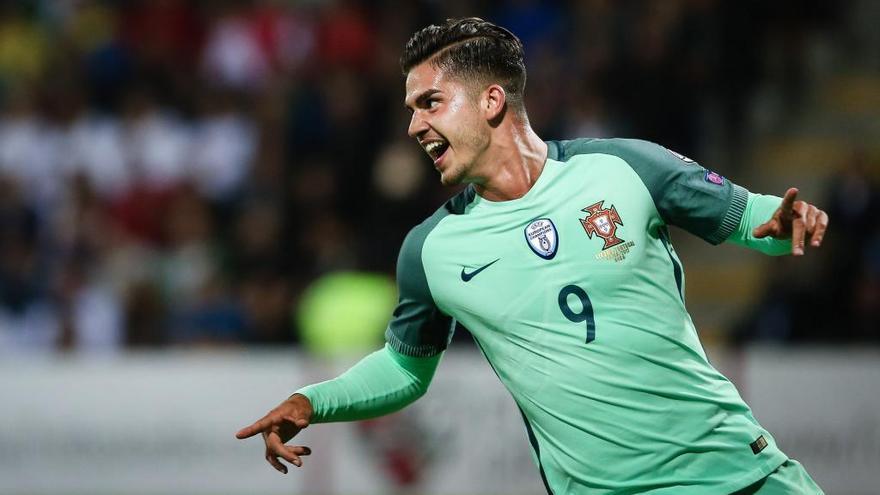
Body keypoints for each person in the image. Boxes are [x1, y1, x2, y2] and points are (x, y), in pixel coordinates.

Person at [236, 18, 828, 494]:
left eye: (430, 103)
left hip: (741, 477)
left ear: (491, 100)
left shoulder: (624, 168)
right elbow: (404, 368)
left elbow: (750, 216)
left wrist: (783, 221)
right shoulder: (432, 249)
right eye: (412, 109)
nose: (414, 126)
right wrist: (312, 401)